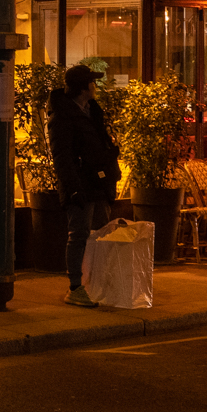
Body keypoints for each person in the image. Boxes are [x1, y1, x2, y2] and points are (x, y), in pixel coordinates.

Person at [47, 63, 120, 308]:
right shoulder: (63, 116)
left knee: (104, 232)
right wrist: (73, 188)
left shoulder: (91, 110)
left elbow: (101, 146)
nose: (95, 86)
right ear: (82, 88)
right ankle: (76, 287)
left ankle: (97, 281)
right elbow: (62, 157)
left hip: (98, 182)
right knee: (78, 234)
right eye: (92, 82)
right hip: (80, 184)